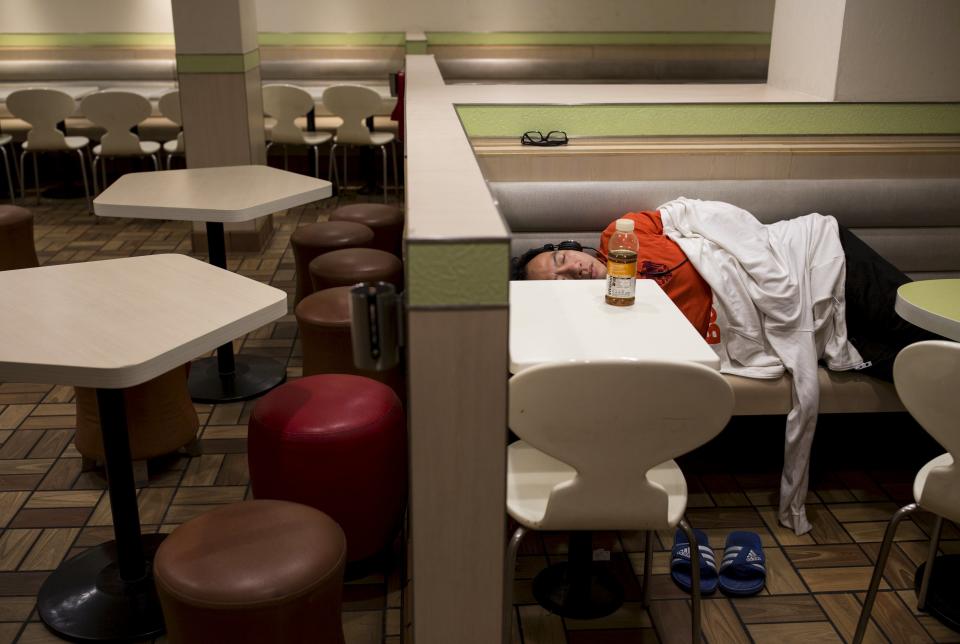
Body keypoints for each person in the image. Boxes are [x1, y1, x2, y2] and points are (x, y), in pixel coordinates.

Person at [511, 198, 939, 535]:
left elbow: (700, 213)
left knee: (932, 342)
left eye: (560, 259)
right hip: (813, 325)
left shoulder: (624, 234)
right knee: (918, 367)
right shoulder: (611, 322)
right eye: (558, 281)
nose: (572, 271)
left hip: (816, 258)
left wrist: (771, 279)